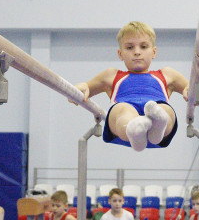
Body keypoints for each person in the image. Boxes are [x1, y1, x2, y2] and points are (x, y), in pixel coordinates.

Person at [71, 21, 189, 152]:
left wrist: (190, 90)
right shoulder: (111, 75)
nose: (137, 52)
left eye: (143, 47)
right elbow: (85, 88)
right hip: (123, 131)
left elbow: (191, 88)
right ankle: (134, 130)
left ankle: (157, 126)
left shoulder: (167, 74)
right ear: (120, 54)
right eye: (129, 48)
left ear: (154, 52)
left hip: (159, 129)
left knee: (165, 109)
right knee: (122, 109)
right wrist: (78, 89)